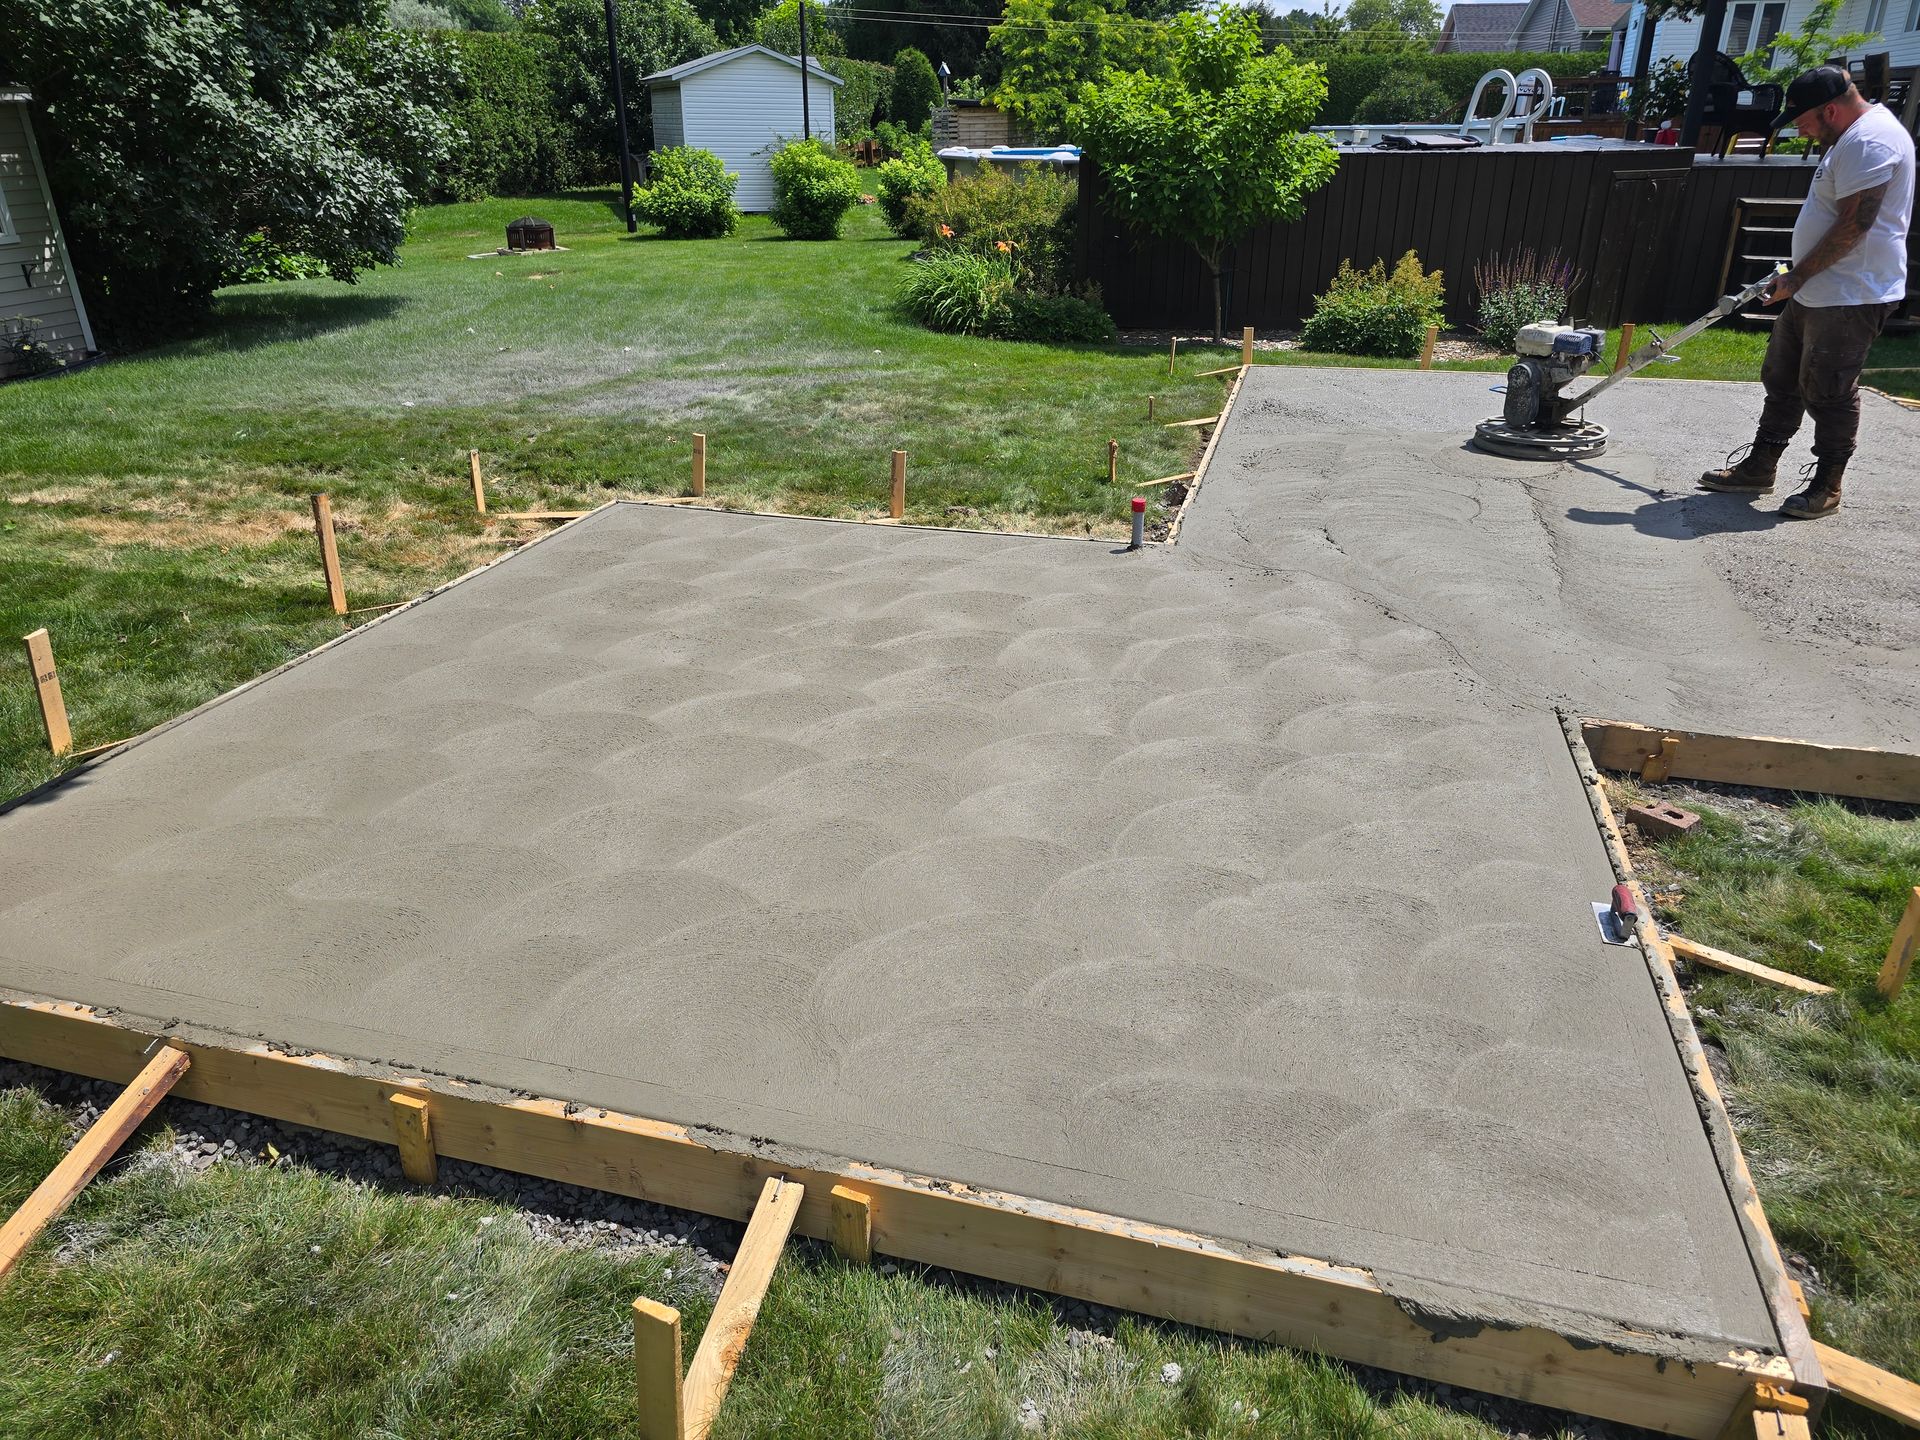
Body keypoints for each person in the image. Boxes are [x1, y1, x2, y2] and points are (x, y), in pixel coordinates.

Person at [1700, 66, 1915, 518]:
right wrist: (1798, 276)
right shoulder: (1850, 137)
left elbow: (1856, 224)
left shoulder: (1870, 140)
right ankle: (1761, 466)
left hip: (1851, 294)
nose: (1799, 130)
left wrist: (1797, 277)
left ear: (1830, 110)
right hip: (1818, 287)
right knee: (1781, 378)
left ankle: (1827, 485)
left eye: (1802, 121)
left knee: (1829, 390)